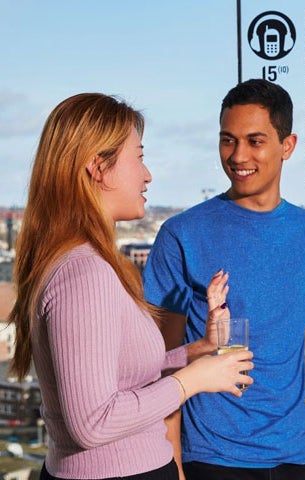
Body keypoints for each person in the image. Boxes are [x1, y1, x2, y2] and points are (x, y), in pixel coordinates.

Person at [8, 93, 254, 480]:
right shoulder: (83, 274)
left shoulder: (87, 262)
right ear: (98, 167)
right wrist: (193, 381)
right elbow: (92, 423)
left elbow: (120, 374)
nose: (148, 174)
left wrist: (199, 349)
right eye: (139, 156)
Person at [142, 79, 305, 480]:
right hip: (210, 458)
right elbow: (164, 362)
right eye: (228, 140)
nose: (238, 155)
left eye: (255, 141)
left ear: (287, 146)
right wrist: (174, 468)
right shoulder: (182, 234)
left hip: (295, 456)